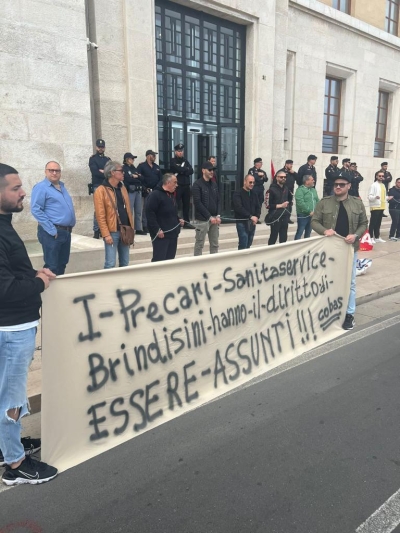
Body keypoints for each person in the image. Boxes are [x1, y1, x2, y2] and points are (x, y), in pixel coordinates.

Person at [0, 163, 58, 486]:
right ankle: (15, 464)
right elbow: (4, 289)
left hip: (14, 328)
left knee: (7, 393)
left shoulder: (4, 224)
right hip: (10, 330)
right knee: (10, 398)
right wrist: (39, 284)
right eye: (15, 188)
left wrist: (34, 274)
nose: (24, 192)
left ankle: (8, 444)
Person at [311, 173, 368, 330]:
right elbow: (314, 221)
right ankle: (328, 311)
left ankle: (349, 314)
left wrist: (356, 235)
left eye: (342, 184)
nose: (338, 187)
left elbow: (364, 223)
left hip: (350, 249)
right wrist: (324, 231)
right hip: (329, 251)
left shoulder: (357, 203)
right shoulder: (324, 203)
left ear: (349, 186)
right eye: (336, 184)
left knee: (350, 283)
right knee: (327, 280)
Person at [30, 161, 76, 276]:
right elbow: (36, 209)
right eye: (51, 170)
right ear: (46, 172)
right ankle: (49, 292)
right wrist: (51, 229)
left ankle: (59, 291)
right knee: (52, 266)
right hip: (52, 232)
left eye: (57, 170)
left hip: (65, 232)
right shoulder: (41, 187)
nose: (54, 173)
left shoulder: (62, 187)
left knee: (62, 264)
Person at [94, 161, 133, 269]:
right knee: (110, 263)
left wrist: (131, 228)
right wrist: (106, 234)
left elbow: (128, 210)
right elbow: (100, 215)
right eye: (121, 171)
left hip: (125, 230)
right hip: (112, 231)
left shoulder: (122, 188)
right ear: (112, 173)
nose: (123, 173)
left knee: (125, 263)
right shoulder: (100, 190)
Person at [145, 173, 184, 262]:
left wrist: (178, 219)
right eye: (175, 182)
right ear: (168, 183)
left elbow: (171, 211)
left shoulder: (171, 195)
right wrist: (157, 229)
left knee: (170, 260)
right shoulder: (155, 195)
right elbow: (150, 214)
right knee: (159, 259)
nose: (176, 185)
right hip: (162, 235)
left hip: (172, 233)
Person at [192, 161, 221, 256]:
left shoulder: (214, 184)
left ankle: (214, 265)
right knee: (199, 244)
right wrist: (209, 217)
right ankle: (197, 265)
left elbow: (218, 201)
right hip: (202, 220)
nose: (212, 172)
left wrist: (218, 215)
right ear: (203, 170)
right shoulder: (197, 184)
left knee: (215, 244)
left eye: (213, 170)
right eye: (209, 170)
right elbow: (197, 203)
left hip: (214, 219)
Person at [232, 174, 261, 249]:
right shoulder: (238, 193)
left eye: (253, 182)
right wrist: (250, 216)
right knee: (243, 243)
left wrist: (257, 217)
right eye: (250, 182)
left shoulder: (254, 193)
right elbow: (238, 208)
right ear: (245, 182)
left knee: (249, 243)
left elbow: (258, 206)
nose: (252, 184)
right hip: (242, 221)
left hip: (252, 222)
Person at [89, 139, 110, 239]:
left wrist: (103, 171)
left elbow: (111, 173)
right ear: (96, 147)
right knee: (98, 208)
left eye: (102, 147)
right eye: (99, 147)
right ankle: (96, 230)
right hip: (97, 185)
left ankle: (104, 229)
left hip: (107, 185)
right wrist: (105, 173)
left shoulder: (107, 159)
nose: (101, 148)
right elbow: (95, 172)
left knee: (107, 208)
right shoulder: (93, 159)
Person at [137, 150, 162, 234]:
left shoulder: (157, 167)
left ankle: (155, 225)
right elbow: (138, 178)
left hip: (156, 191)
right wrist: (144, 188)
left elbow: (161, 179)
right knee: (146, 209)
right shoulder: (141, 166)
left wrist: (157, 188)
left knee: (156, 209)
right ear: (148, 156)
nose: (155, 157)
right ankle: (145, 226)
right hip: (146, 191)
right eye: (153, 155)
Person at [170, 143, 194, 229]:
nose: (180, 153)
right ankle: (175, 222)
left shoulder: (185, 161)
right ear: (175, 152)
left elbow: (191, 171)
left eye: (181, 151)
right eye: (179, 151)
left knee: (186, 205)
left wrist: (183, 170)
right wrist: (184, 170)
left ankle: (187, 222)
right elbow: (176, 169)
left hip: (186, 186)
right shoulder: (173, 161)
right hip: (177, 186)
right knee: (176, 204)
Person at [122, 152, 145, 235]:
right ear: (127, 159)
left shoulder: (134, 168)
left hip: (138, 190)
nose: (133, 160)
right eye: (132, 158)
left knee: (139, 211)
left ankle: (138, 228)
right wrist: (134, 177)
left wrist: (136, 176)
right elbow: (127, 179)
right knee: (129, 211)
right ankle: (129, 228)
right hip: (130, 191)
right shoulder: (124, 168)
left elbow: (142, 178)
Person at [265, 171, 290, 245]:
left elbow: (289, 199)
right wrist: (281, 205)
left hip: (285, 215)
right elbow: (267, 205)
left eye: (285, 177)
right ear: (277, 178)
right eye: (281, 177)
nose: (283, 179)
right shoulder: (271, 189)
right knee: (273, 236)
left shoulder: (286, 188)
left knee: (284, 236)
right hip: (275, 216)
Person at [294, 175, 319, 240]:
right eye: (312, 180)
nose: (314, 181)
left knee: (308, 233)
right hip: (303, 215)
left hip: (312, 215)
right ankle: (295, 246)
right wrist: (309, 211)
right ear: (307, 181)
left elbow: (317, 200)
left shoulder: (313, 190)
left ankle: (306, 248)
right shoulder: (300, 190)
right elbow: (300, 203)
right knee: (300, 232)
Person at [368, 171, 386, 243]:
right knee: (373, 222)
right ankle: (371, 237)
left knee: (378, 223)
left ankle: (377, 237)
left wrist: (387, 198)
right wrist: (375, 197)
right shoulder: (373, 185)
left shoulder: (383, 185)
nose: (381, 177)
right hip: (375, 206)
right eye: (379, 176)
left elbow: (383, 196)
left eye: (382, 176)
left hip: (381, 206)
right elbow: (369, 196)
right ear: (376, 176)